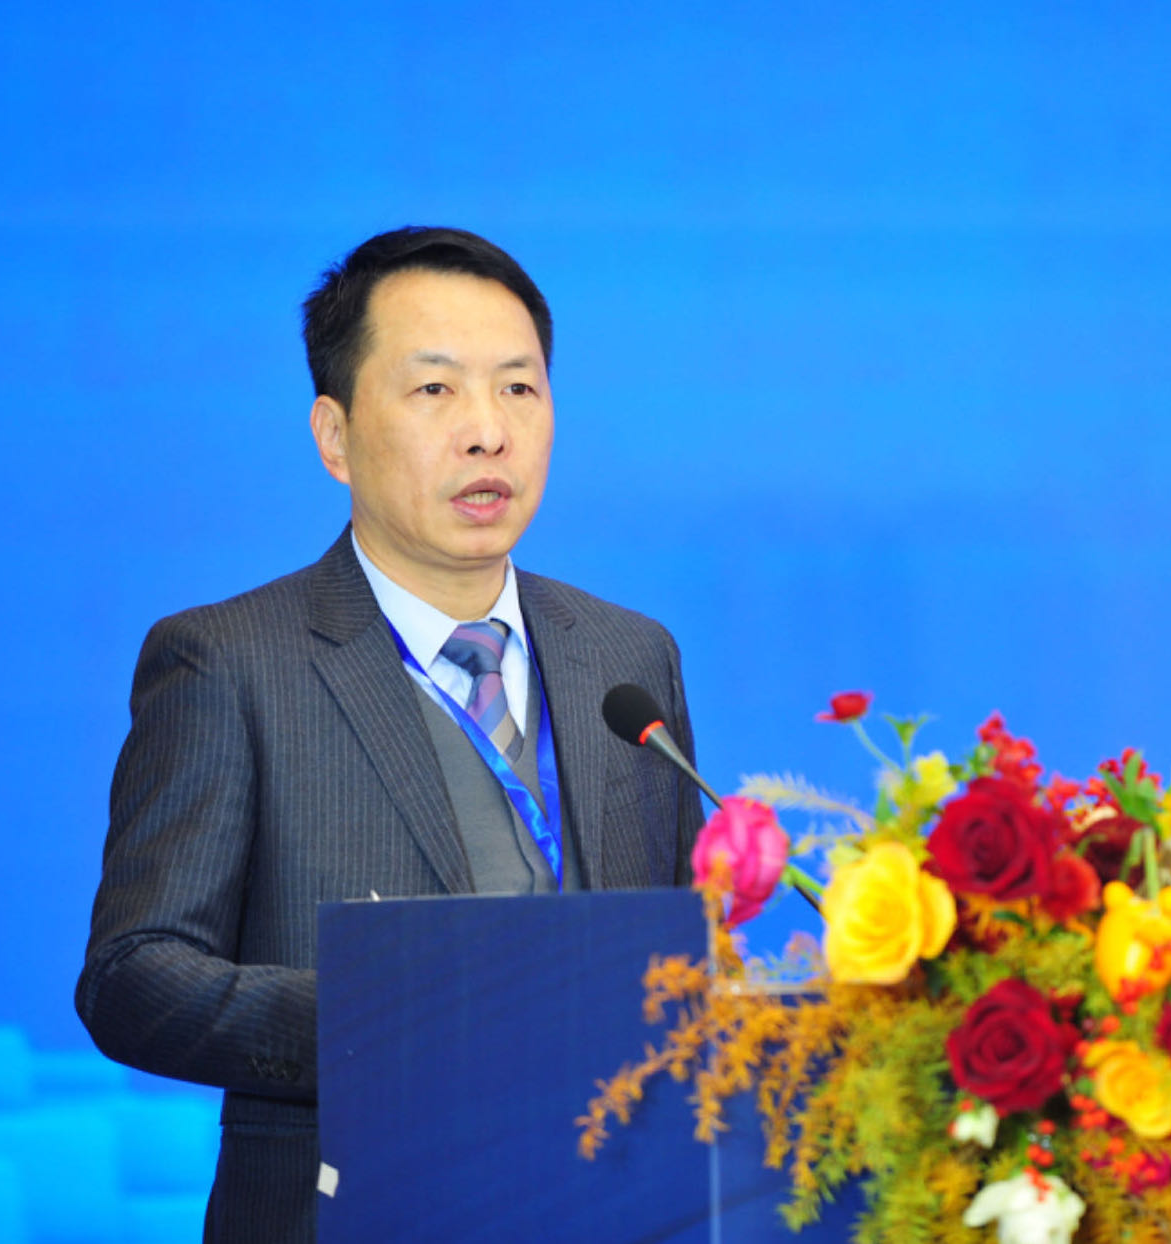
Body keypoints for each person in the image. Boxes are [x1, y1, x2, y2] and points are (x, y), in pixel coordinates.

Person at [75, 226, 705, 1243]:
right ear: (334, 436)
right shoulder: (227, 662)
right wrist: (383, 1019)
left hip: (615, 1208)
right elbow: (133, 976)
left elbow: (679, 950)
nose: (487, 432)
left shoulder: (627, 658)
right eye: (434, 389)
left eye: (518, 388)